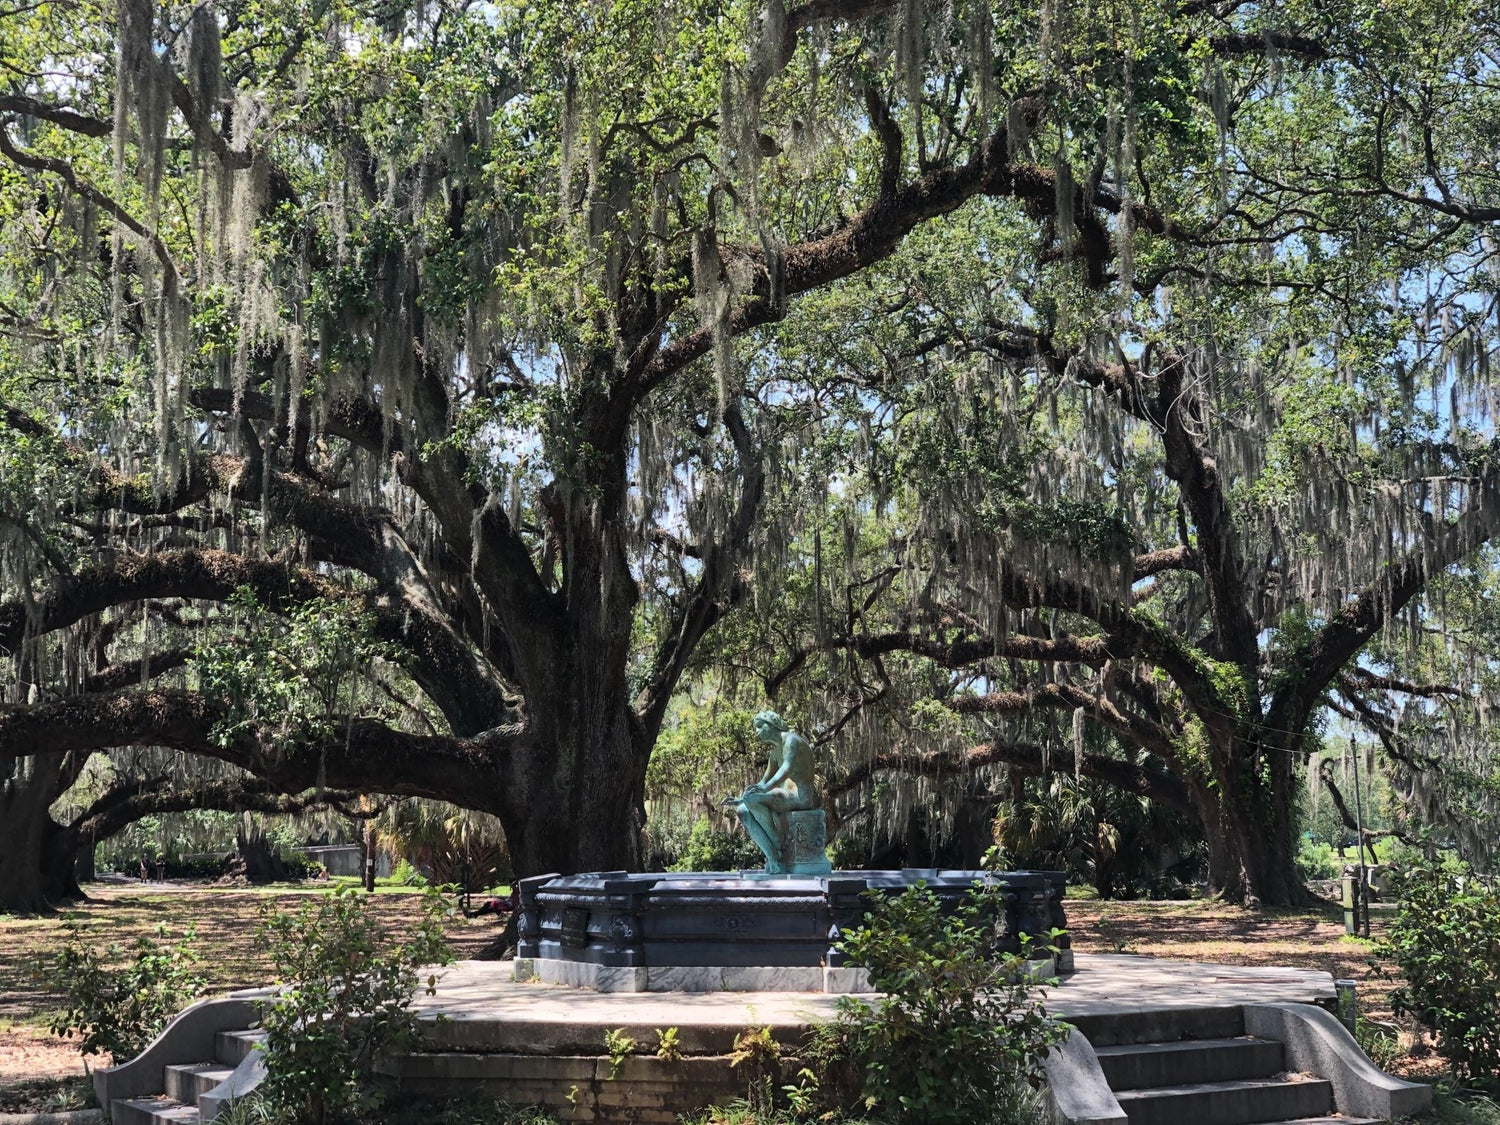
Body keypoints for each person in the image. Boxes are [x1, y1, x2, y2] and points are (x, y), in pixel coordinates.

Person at [721, 711, 818, 873]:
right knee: (743, 810)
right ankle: (774, 859)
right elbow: (763, 783)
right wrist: (740, 799)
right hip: (784, 796)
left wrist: (762, 791)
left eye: (760, 726)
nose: (757, 732)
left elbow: (786, 769)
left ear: (772, 724)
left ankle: (778, 842)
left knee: (752, 800)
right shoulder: (774, 754)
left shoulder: (792, 741)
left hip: (801, 797)